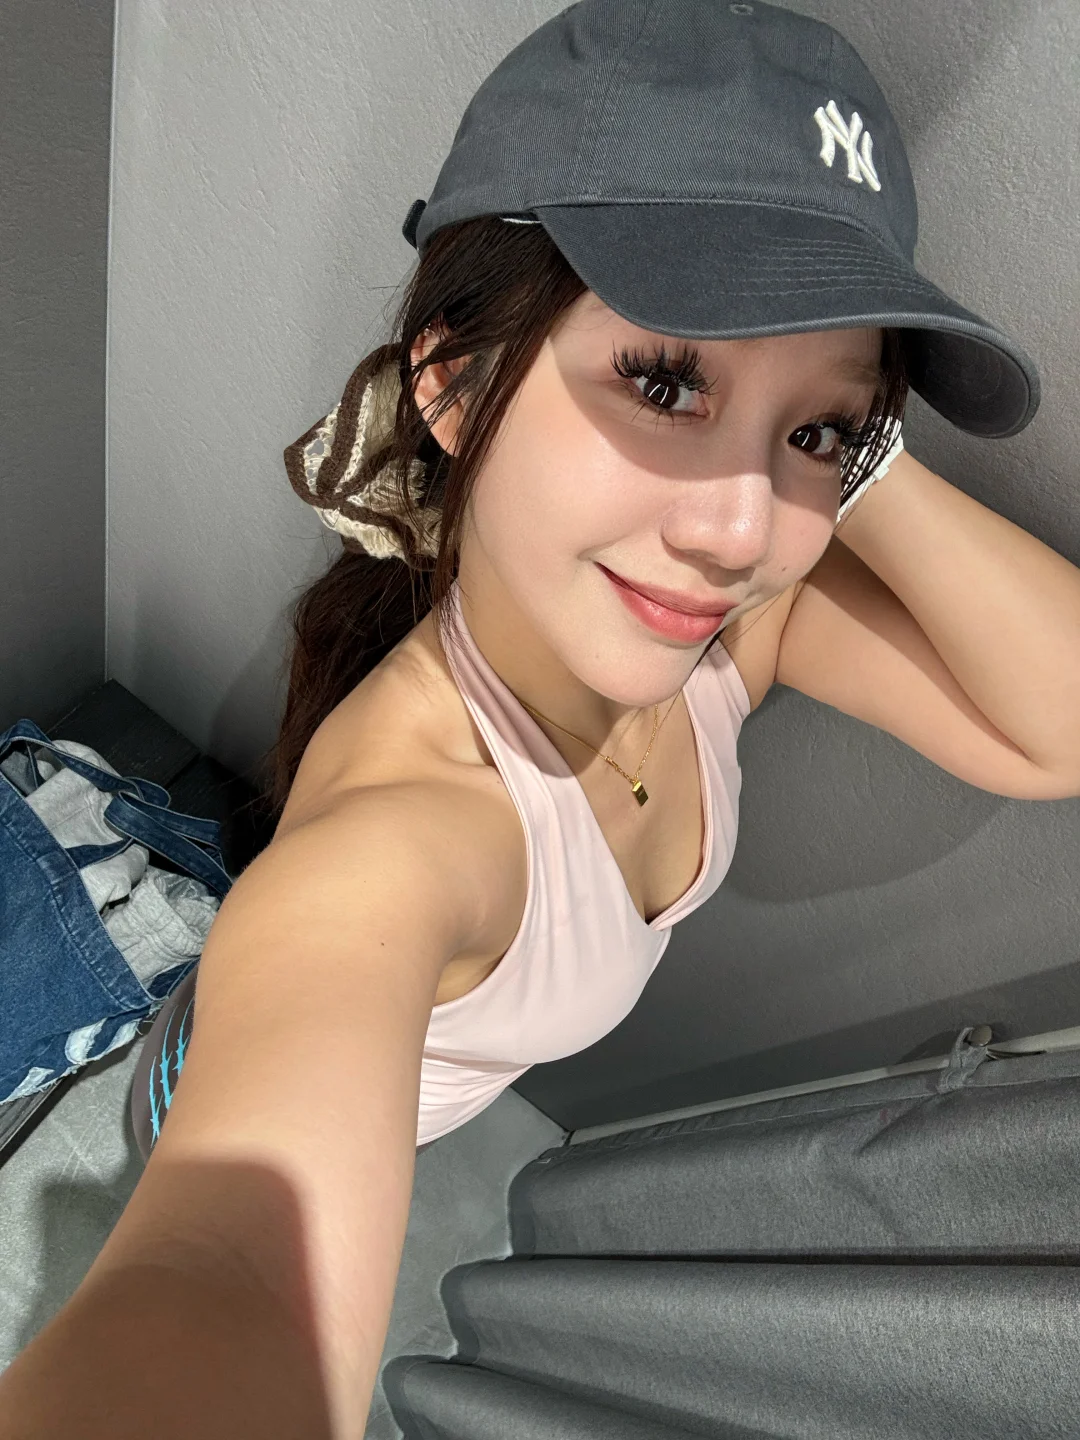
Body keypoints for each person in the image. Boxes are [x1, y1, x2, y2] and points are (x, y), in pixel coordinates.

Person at [2, 0, 1066, 1436]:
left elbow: (1057, 728)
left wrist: (859, 448)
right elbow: (228, 1272)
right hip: (193, 1087)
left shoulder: (732, 638)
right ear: (451, 383)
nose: (742, 529)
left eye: (816, 434)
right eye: (666, 380)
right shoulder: (397, 843)